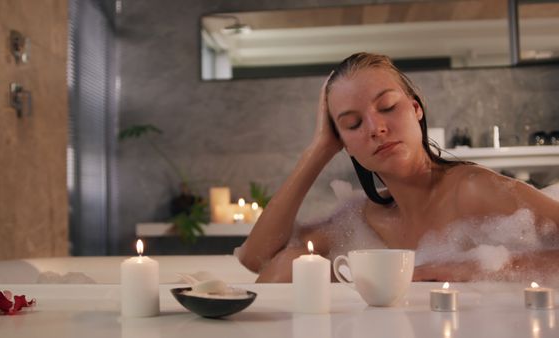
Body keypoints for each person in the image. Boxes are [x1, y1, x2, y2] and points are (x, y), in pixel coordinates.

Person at [235, 52, 559, 283]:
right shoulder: (363, 218)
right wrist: (319, 149)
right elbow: (257, 259)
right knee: (289, 265)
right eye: (352, 123)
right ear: (343, 143)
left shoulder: (471, 189)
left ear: (416, 108)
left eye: (388, 106)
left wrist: (483, 267)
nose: (376, 128)